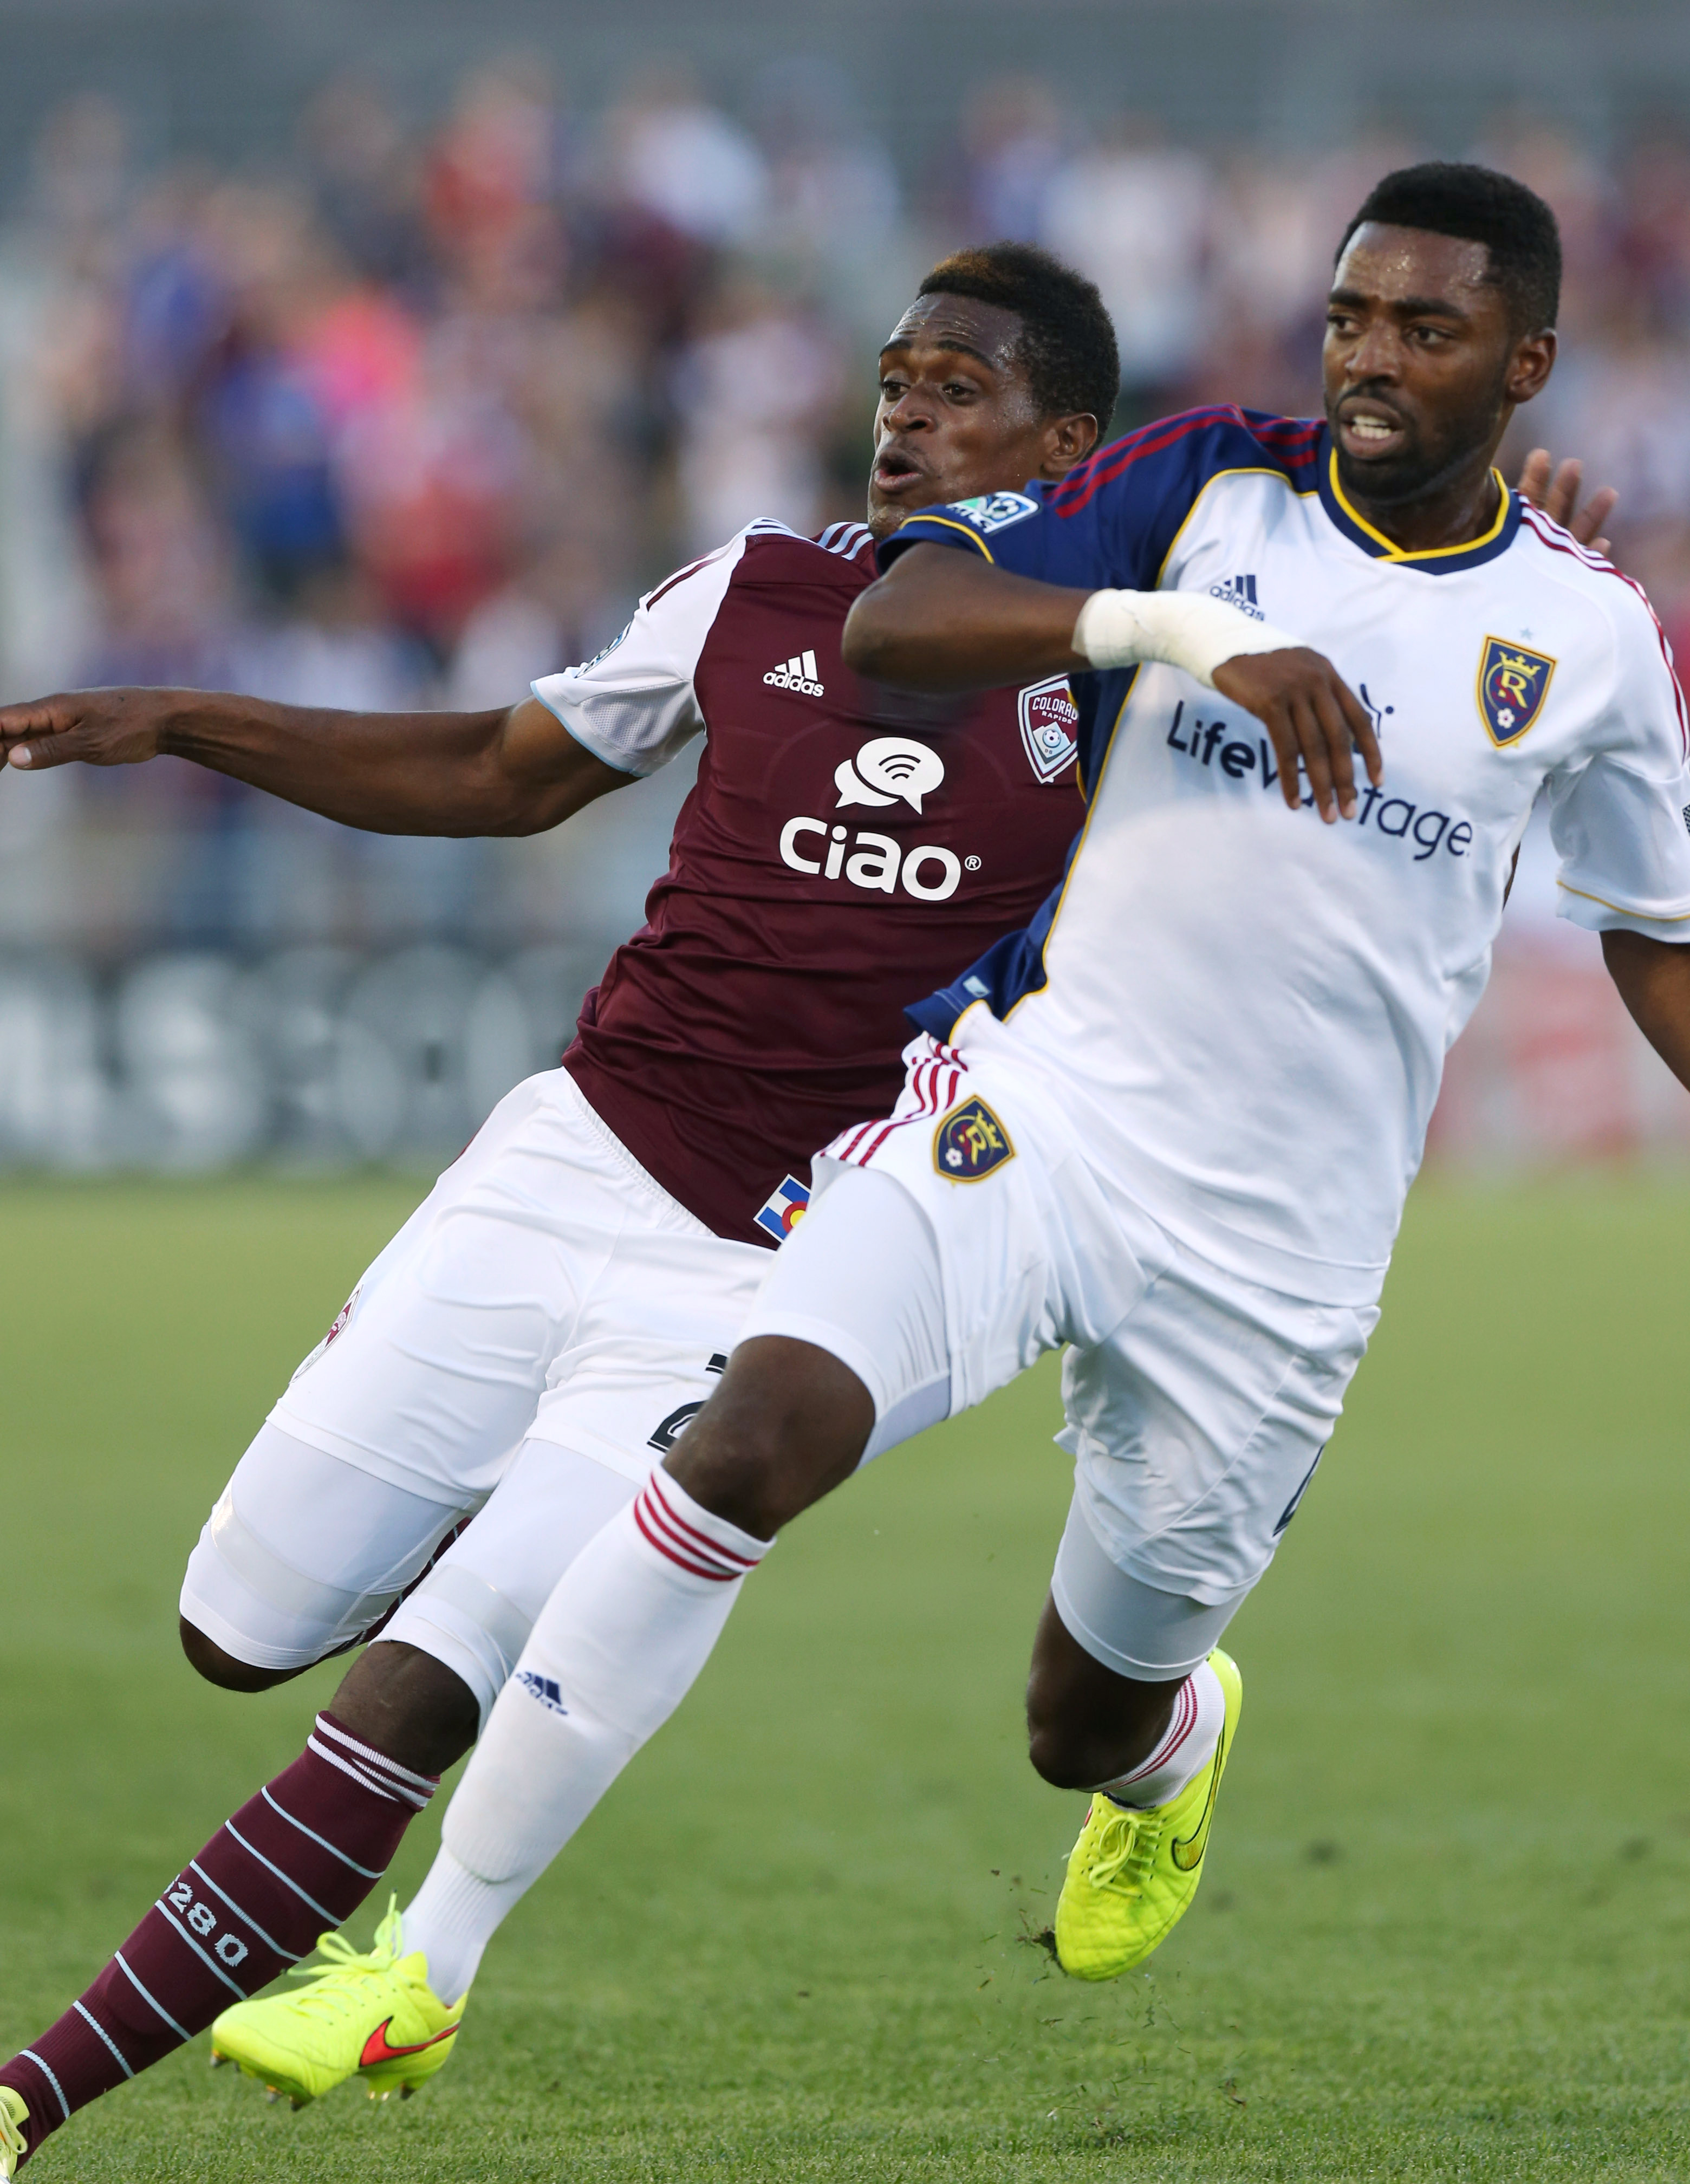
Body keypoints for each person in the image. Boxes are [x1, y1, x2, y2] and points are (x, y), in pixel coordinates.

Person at [202, 159, 1686, 2104]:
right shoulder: (1212, 489)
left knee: (1084, 1716)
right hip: (1042, 1117)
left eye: (1428, 329)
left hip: (1285, 1251)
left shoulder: (1590, 641)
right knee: (752, 1436)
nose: (1375, 361)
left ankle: (1165, 1748)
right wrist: (1180, 634)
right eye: (1350, 317)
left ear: (1530, 362)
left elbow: (1655, 940)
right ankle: (428, 1961)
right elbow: (902, 622)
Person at [0, 244, 1130, 2173]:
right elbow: (504, 771)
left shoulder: (1120, 697)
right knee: (230, 1625)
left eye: (962, 385)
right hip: (563, 1163)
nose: (908, 417)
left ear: (1070, 442)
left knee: (416, 1693)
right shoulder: (752, 593)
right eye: (895, 379)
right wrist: (192, 719)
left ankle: (27, 2101)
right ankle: (501, 1511)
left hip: (774, 1271)